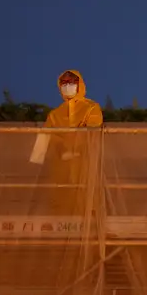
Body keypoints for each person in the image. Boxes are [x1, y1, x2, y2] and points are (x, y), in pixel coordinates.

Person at [43, 70, 103, 215]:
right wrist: (61, 148)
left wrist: (74, 148)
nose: (67, 85)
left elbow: (93, 133)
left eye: (71, 82)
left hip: (85, 165)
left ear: (79, 84)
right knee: (61, 206)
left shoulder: (91, 108)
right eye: (63, 83)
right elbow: (44, 141)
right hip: (60, 169)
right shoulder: (54, 114)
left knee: (86, 204)